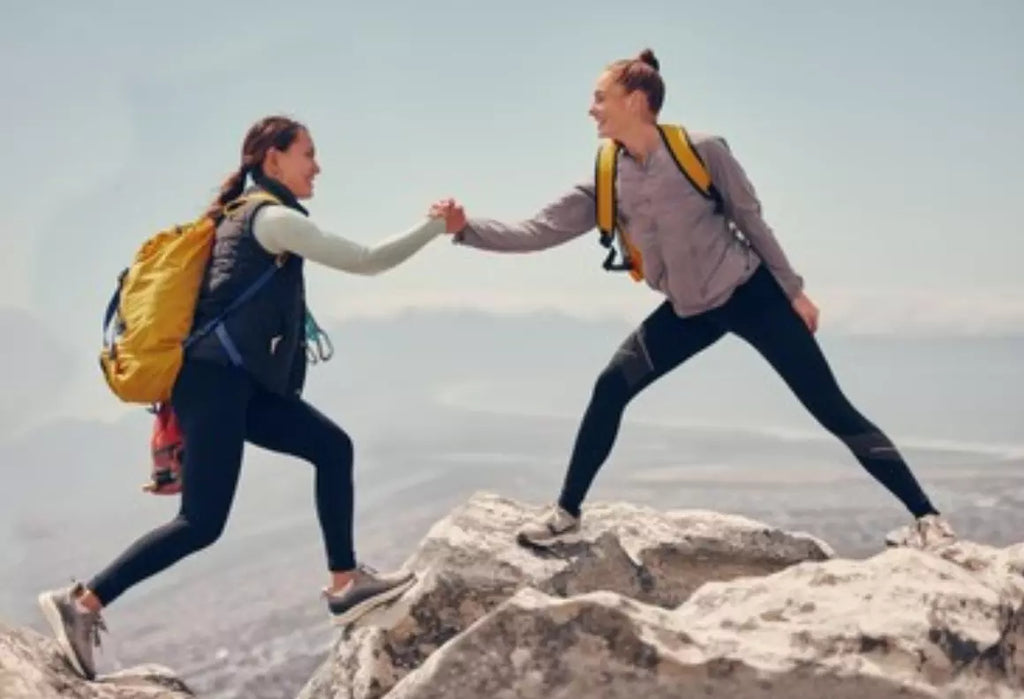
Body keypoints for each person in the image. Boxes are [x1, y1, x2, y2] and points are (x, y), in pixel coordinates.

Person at [447, 49, 956, 554]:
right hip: (689, 312)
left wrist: (793, 291)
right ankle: (566, 514)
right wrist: (466, 229)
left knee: (830, 407)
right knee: (610, 387)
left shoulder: (701, 150)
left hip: (751, 295)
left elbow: (751, 220)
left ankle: (928, 520)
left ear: (637, 100)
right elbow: (538, 230)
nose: (591, 108)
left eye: (601, 97)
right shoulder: (608, 175)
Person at [37, 115, 466, 680]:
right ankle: (83, 602)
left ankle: (345, 584)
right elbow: (367, 259)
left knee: (332, 448)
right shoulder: (270, 218)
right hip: (215, 383)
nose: (317, 165)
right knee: (201, 523)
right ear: (273, 160)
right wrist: (435, 226)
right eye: (308, 153)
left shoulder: (247, 219)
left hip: (236, 386)